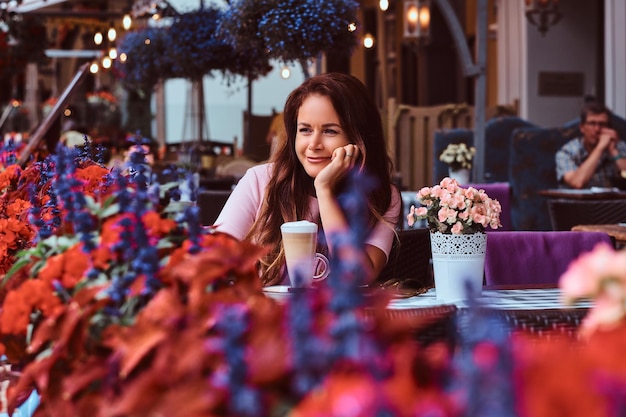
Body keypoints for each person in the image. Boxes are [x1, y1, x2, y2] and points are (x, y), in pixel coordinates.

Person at [215, 72, 401, 286]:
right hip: (262, 317)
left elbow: (354, 277)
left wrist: (324, 191)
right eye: (305, 130)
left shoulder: (380, 196)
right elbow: (212, 263)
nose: (314, 144)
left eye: (330, 131)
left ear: (358, 139)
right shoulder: (260, 181)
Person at [556, 101, 626, 189]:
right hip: (576, 202)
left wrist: (613, 151)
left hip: (611, 202)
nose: (597, 129)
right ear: (582, 128)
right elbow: (577, 182)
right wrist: (600, 148)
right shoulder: (566, 152)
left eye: (602, 124)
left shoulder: (619, 147)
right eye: (592, 124)